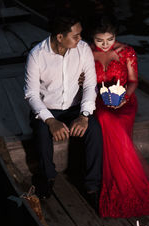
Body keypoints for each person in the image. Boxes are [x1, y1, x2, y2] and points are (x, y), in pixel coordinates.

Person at [88, 16, 149, 217]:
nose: (104, 45)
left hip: (124, 101)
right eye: (99, 41)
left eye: (109, 40)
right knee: (104, 118)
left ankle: (126, 179)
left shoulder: (127, 51)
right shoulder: (86, 52)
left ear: (115, 36)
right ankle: (112, 177)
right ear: (92, 39)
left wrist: (125, 98)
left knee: (113, 121)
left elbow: (133, 81)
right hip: (98, 99)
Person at [24, 14, 103, 209]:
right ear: (60, 37)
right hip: (48, 108)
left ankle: (92, 185)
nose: (80, 39)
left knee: (94, 130)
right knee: (42, 133)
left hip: (75, 108)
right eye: (75, 36)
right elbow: (31, 94)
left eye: (80, 35)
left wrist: (84, 116)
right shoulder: (36, 55)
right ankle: (47, 177)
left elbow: (91, 84)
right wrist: (51, 121)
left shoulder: (83, 49)